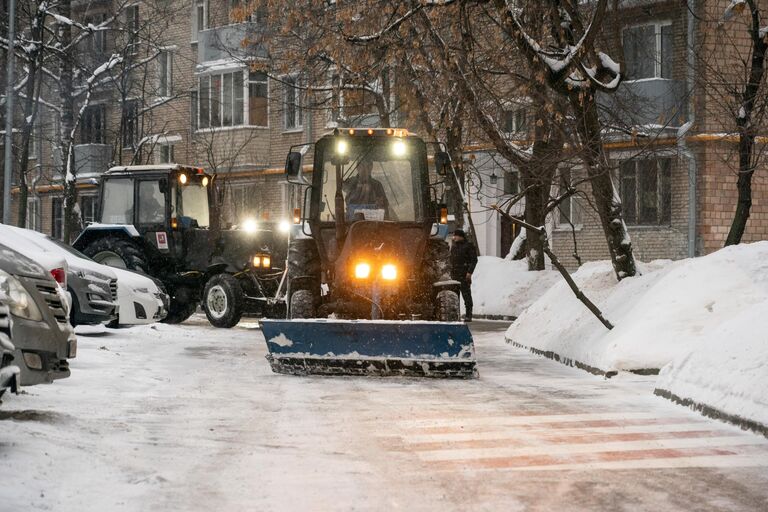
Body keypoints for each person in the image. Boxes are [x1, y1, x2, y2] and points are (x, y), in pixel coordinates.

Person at [449, 229, 477, 322]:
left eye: (455, 235)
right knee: (455, 297)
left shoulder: (468, 246)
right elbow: (451, 260)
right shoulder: (454, 246)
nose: (454, 237)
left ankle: (469, 315)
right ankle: (456, 315)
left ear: (461, 236)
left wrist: (469, 272)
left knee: (466, 296)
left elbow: (474, 260)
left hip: (464, 275)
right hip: (454, 276)